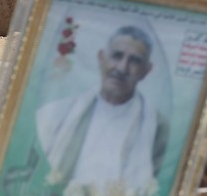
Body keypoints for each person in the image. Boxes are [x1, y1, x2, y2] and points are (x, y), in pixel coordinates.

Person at [36, 26, 168, 192]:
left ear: (146, 71)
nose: (122, 68)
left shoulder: (158, 129)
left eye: (134, 60)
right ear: (101, 58)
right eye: (117, 56)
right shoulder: (59, 114)